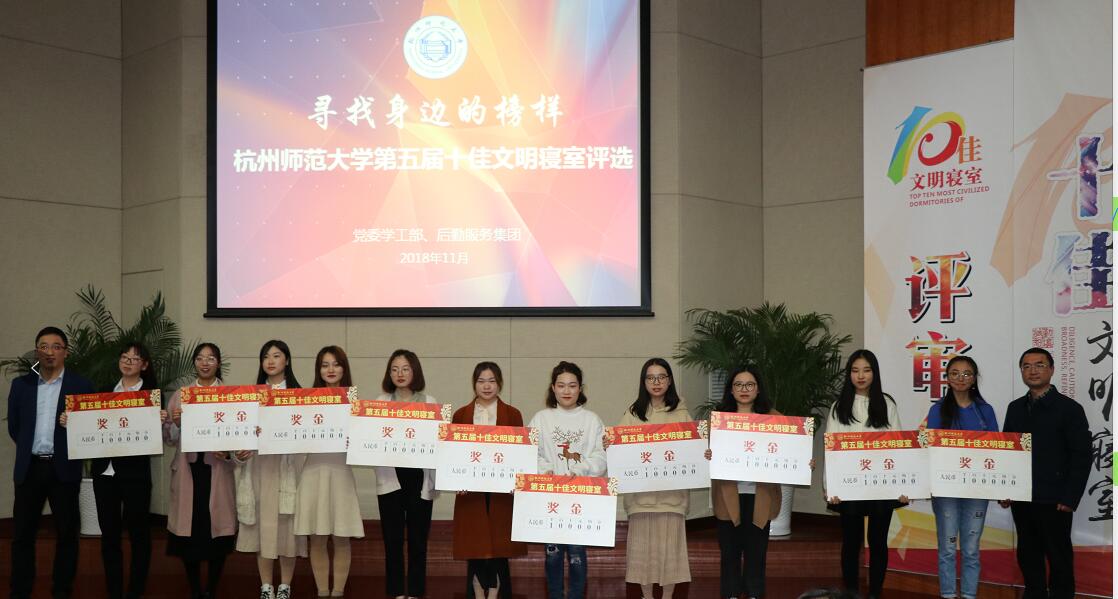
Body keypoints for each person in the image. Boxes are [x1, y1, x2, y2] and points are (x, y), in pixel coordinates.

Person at [59, 342, 160, 599]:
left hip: (136, 475)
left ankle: (135, 591)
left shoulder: (151, 396)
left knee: (139, 535)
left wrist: (161, 421)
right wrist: (70, 420)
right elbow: (90, 426)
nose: (128, 362)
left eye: (134, 359)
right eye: (124, 357)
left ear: (144, 365)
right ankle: (114, 590)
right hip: (105, 474)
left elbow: (159, 435)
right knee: (110, 536)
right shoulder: (103, 392)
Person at [7, 326, 94, 599]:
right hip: (30, 468)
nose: (49, 352)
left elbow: (90, 427)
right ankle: (20, 589)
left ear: (65, 352)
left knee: (67, 534)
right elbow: (15, 428)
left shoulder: (81, 386)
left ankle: (62, 588)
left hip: (63, 468)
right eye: (43, 346)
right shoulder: (21, 385)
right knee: (22, 534)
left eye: (56, 346)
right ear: (37, 352)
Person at [1000, 347, 1091, 599]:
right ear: (1021, 371)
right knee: (1028, 555)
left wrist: (1070, 497)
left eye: (1039, 365)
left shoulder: (1069, 408)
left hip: (1055, 499)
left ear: (1051, 369)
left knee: (1059, 556)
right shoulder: (1015, 408)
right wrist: (1004, 489)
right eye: (1026, 366)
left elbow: (1081, 456)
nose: (1033, 371)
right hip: (1022, 496)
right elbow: (1007, 451)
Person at [824, 349, 908, 599]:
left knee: (878, 541)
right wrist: (831, 487)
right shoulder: (839, 407)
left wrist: (903, 486)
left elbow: (898, 446)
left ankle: (874, 594)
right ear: (849, 374)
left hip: (881, 484)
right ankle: (851, 593)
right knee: (851, 543)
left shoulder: (887, 403)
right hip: (849, 485)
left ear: (875, 373)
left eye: (866, 370)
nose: (860, 376)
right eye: (855, 370)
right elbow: (830, 449)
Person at [610, 358, 693, 599]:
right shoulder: (633, 414)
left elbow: (693, 452)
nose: (656, 382)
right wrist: (610, 444)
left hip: (672, 498)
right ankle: (646, 597)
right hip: (641, 498)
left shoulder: (682, 413)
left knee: (671, 554)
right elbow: (619, 449)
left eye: (661, 377)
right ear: (643, 382)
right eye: (650, 378)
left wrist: (704, 452)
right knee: (642, 555)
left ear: (670, 380)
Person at [163, 342, 239, 599]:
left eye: (211, 358)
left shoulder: (229, 395)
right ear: (194, 363)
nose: (205, 363)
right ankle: (195, 589)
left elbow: (238, 435)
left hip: (216, 471)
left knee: (217, 534)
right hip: (188, 472)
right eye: (200, 358)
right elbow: (170, 438)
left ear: (218, 363)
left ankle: (212, 589)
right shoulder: (182, 395)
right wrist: (174, 423)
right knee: (189, 534)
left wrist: (228, 453)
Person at [528, 361, 607, 599]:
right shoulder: (541, 418)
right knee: (552, 555)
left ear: (580, 388)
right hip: (550, 498)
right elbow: (530, 453)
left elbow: (601, 457)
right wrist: (547, 471)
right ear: (553, 388)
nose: (566, 391)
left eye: (572, 385)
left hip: (580, 498)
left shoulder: (592, 420)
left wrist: (580, 470)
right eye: (561, 385)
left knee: (576, 554)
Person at [237, 340, 307, 599]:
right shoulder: (250, 395)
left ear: (287, 360)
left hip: (289, 466)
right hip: (260, 467)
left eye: (276, 356)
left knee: (288, 529)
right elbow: (239, 431)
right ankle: (266, 586)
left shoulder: (301, 395)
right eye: (266, 356)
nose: (270, 361)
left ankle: (285, 586)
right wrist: (240, 452)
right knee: (263, 527)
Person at [924, 356, 998, 599]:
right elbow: (930, 449)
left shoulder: (985, 411)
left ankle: (968, 595)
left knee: (971, 549)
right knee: (947, 548)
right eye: (954, 373)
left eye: (967, 374)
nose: (960, 378)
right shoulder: (937, 410)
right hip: (945, 490)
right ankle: (947, 594)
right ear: (947, 378)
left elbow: (998, 450)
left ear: (974, 379)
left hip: (977, 490)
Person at [451, 362, 526, 599]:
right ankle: (476, 589)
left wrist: (517, 482)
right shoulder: (461, 415)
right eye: (481, 381)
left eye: (491, 381)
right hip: (470, 490)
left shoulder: (513, 414)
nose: (486, 386)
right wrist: (455, 480)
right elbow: (453, 454)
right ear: (474, 384)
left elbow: (520, 454)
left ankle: (495, 590)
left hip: (501, 490)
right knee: (474, 541)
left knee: (498, 542)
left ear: (499, 384)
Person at [294, 346, 365, 598]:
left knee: (342, 537)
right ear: (319, 370)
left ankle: (338, 592)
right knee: (318, 537)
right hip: (313, 472)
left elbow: (363, 440)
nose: (331, 369)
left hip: (340, 472)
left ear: (344, 368)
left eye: (336, 364)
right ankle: (322, 591)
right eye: (325, 365)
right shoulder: (306, 400)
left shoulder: (354, 403)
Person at [708, 366, 782, 599]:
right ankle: (730, 593)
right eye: (738, 384)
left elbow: (789, 452)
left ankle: (754, 593)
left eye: (750, 384)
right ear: (730, 390)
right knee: (729, 552)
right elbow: (704, 453)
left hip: (760, 495)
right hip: (728, 494)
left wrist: (803, 462)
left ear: (758, 389)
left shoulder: (775, 419)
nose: (744, 389)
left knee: (756, 552)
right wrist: (707, 454)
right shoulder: (718, 420)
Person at [374, 349, 437, 599]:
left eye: (405, 368)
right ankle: (397, 592)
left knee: (418, 542)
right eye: (394, 369)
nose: (399, 374)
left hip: (419, 479)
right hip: (390, 479)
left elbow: (438, 442)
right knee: (392, 541)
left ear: (415, 371)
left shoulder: (429, 402)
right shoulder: (379, 403)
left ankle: (416, 592)